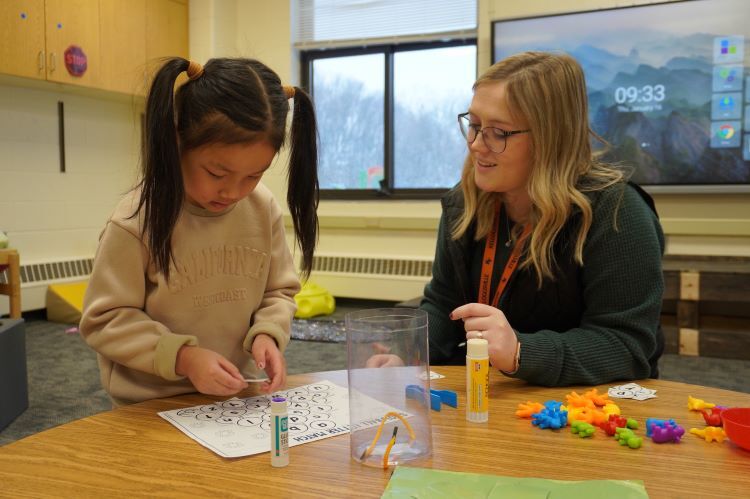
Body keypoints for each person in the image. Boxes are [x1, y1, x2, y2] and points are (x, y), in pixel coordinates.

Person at [80, 58, 319, 405]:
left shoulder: (261, 207)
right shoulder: (135, 221)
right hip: (152, 403)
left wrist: (268, 334)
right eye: (216, 173)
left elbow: (278, 292)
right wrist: (184, 358)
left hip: (232, 395)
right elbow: (105, 319)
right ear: (177, 141)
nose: (234, 192)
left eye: (254, 175)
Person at [421, 51, 664, 387]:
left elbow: (627, 346)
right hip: (483, 395)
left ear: (551, 138)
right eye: (474, 125)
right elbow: (444, 305)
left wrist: (521, 351)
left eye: (499, 133)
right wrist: (410, 350)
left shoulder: (618, 211)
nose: (476, 145)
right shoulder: (463, 203)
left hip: (581, 411)